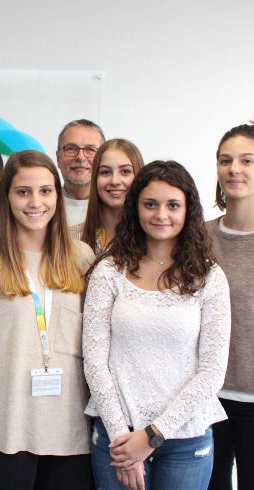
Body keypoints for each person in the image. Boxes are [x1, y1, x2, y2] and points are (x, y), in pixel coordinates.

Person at [83, 161, 231, 490]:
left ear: (188, 210)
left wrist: (152, 436)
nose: (161, 214)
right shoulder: (109, 271)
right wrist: (125, 442)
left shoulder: (209, 277)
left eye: (173, 205)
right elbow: (94, 361)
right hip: (117, 434)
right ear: (135, 208)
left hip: (185, 439)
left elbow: (212, 372)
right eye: (150, 204)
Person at [0, 150, 95, 490]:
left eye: (45, 191)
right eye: (23, 192)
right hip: (7, 421)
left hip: (69, 425)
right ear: (6, 197)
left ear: (57, 197)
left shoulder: (82, 258)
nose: (36, 202)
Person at [207, 123, 254, 490]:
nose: (234, 169)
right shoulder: (197, 237)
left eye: (246, 160)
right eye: (226, 160)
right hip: (208, 398)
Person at [81, 138, 144, 254]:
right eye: (105, 172)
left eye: (125, 171)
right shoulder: (72, 237)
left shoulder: (152, 239)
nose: (115, 181)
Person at [55, 119, 105, 239]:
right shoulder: (42, 208)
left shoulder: (118, 210)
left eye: (91, 150)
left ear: (103, 158)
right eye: (71, 148)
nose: (80, 157)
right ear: (58, 158)